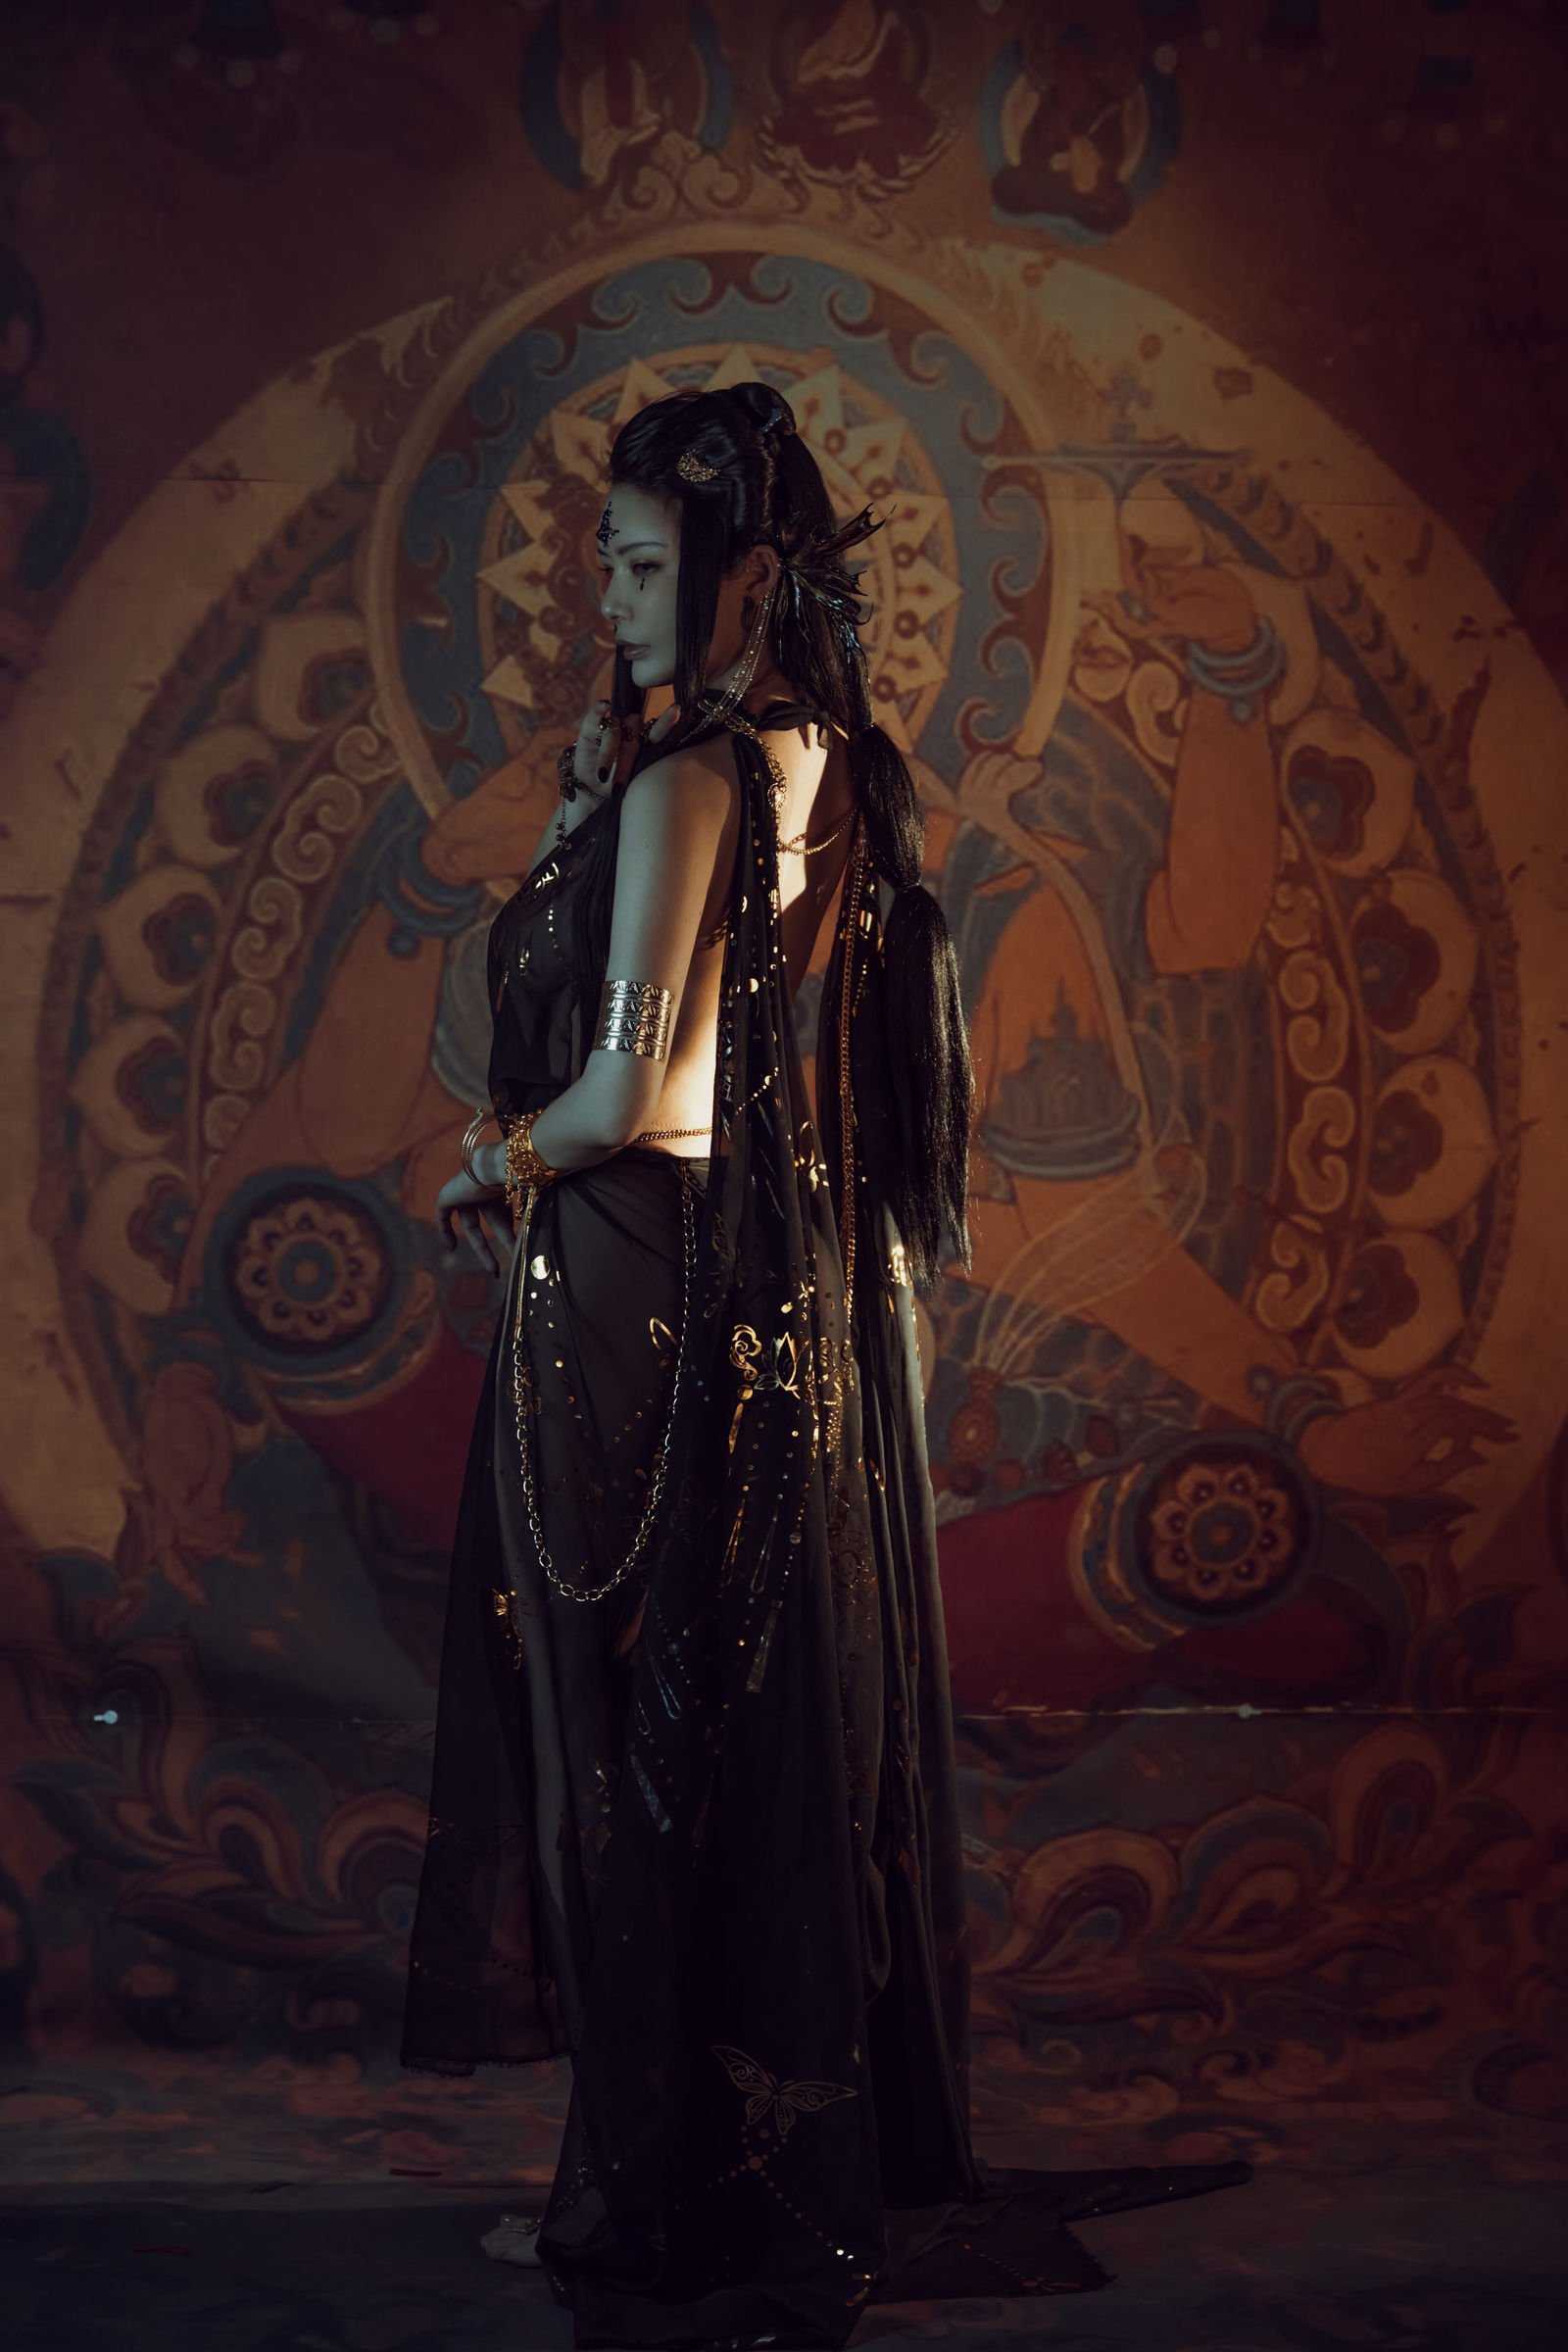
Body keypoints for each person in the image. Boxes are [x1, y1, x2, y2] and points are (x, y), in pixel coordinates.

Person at [399, 380, 1246, 2351]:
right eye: (605, 567)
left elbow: (635, 1093)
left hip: (631, 1285)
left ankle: (654, 2207)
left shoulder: (699, 781)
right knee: (699, 1739)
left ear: (747, 573)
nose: (608, 602)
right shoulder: (823, 762)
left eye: (640, 566)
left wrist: (488, 1162)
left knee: (623, 1750)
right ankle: (694, 2175)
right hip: (751, 1304)